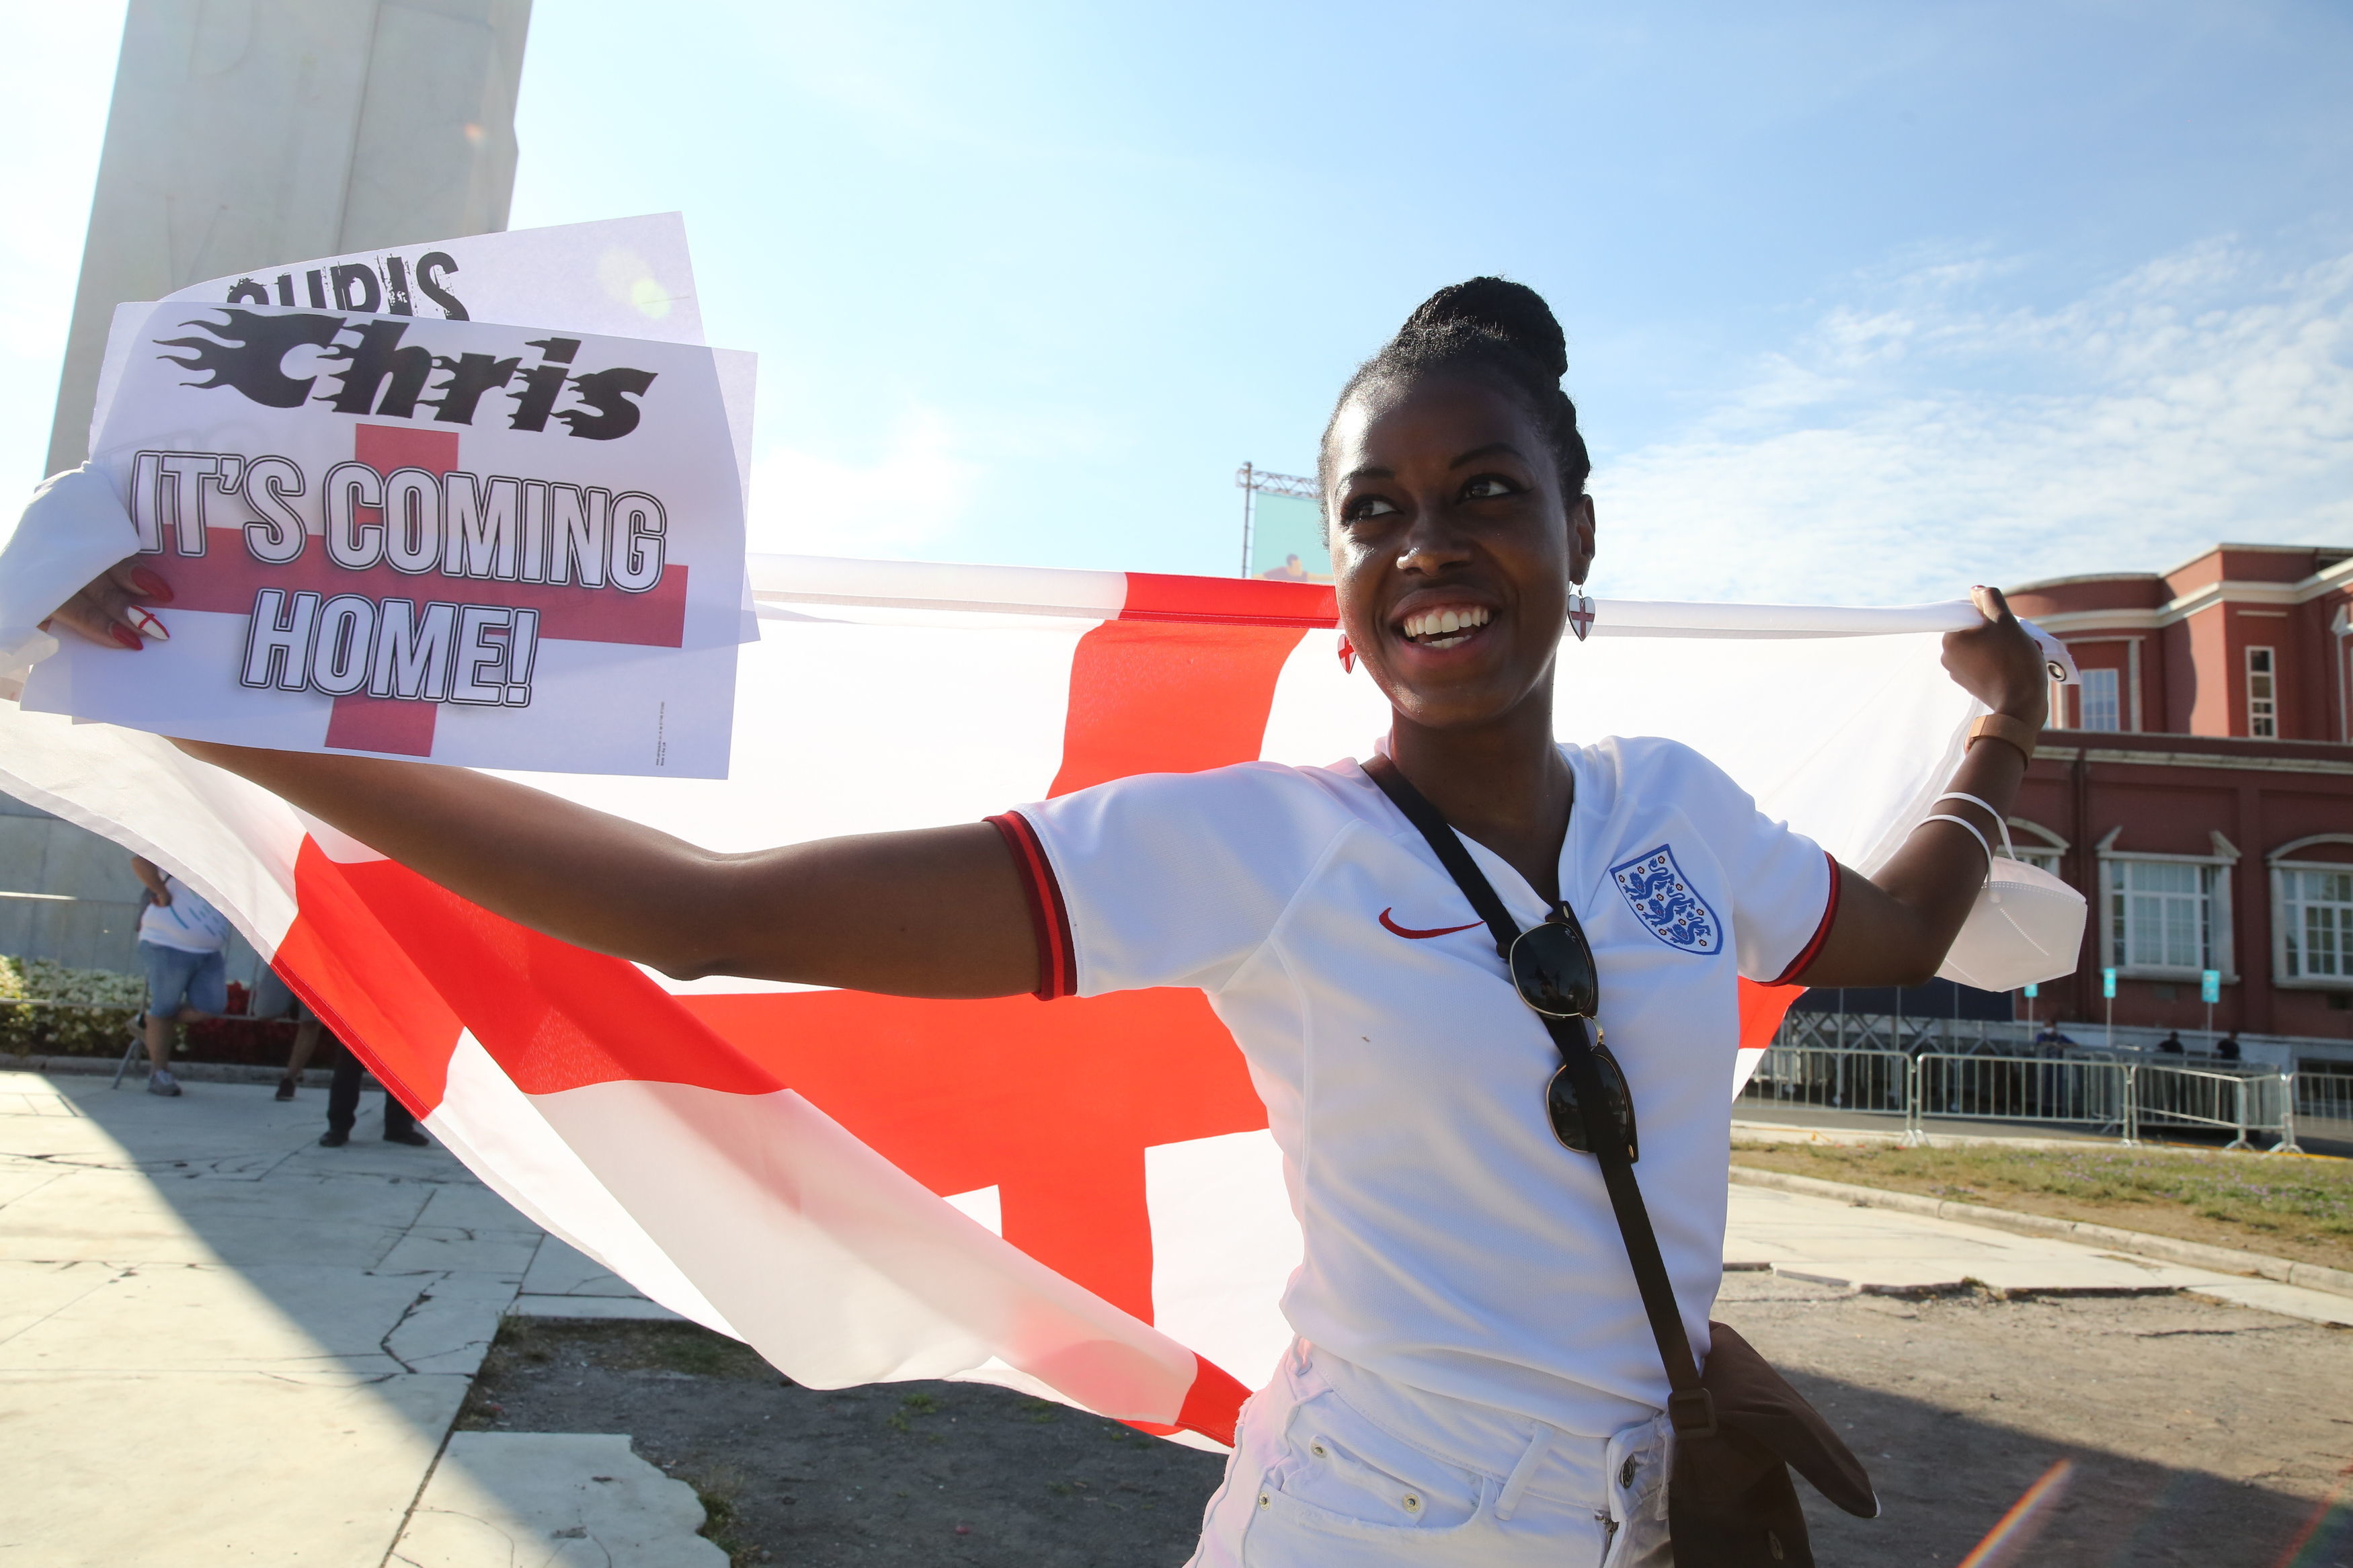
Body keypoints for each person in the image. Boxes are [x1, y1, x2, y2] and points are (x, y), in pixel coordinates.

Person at [42, 279, 2047, 1565]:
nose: (1428, 545)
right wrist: (203, 705)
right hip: (1371, 1530)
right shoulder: (1252, 847)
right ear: (1336, 578)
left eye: (1482, 494)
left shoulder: (1674, 812)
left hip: (1641, 1531)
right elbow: (694, 907)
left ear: (1572, 534)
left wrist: (2003, 722)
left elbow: (1882, 928)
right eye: (1374, 513)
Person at [128, 854, 230, 1097]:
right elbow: (140, 861)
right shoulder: (183, 844)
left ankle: (147, 1023)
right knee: (164, 1008)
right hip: (167, 943)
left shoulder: (229, 857)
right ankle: (159, 1073)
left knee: (211, 1006)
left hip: (208, 950)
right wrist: (160, 890)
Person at [274, 994, 428, 1146]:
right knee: (348, 1066)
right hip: (360, 1000)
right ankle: (338, 1127)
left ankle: (398, 1127)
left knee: (400, 1063)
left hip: (394, 998)